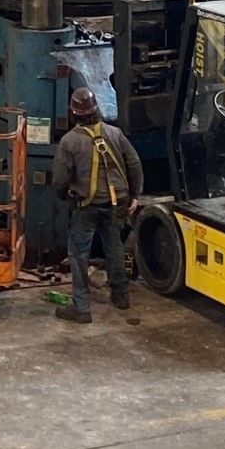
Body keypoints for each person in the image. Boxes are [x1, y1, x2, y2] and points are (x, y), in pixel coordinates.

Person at [52, 87, 143, 325]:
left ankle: (81, 308)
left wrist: (63, 197)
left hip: (86, 206)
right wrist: (135, 195)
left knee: (78, 254)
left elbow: (60, 179)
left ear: (73, 113)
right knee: (114, 247)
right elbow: (134, 163)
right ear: (96, 110)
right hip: (116, 203)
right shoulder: (114, 133)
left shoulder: (69, 141)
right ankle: (121, 297)